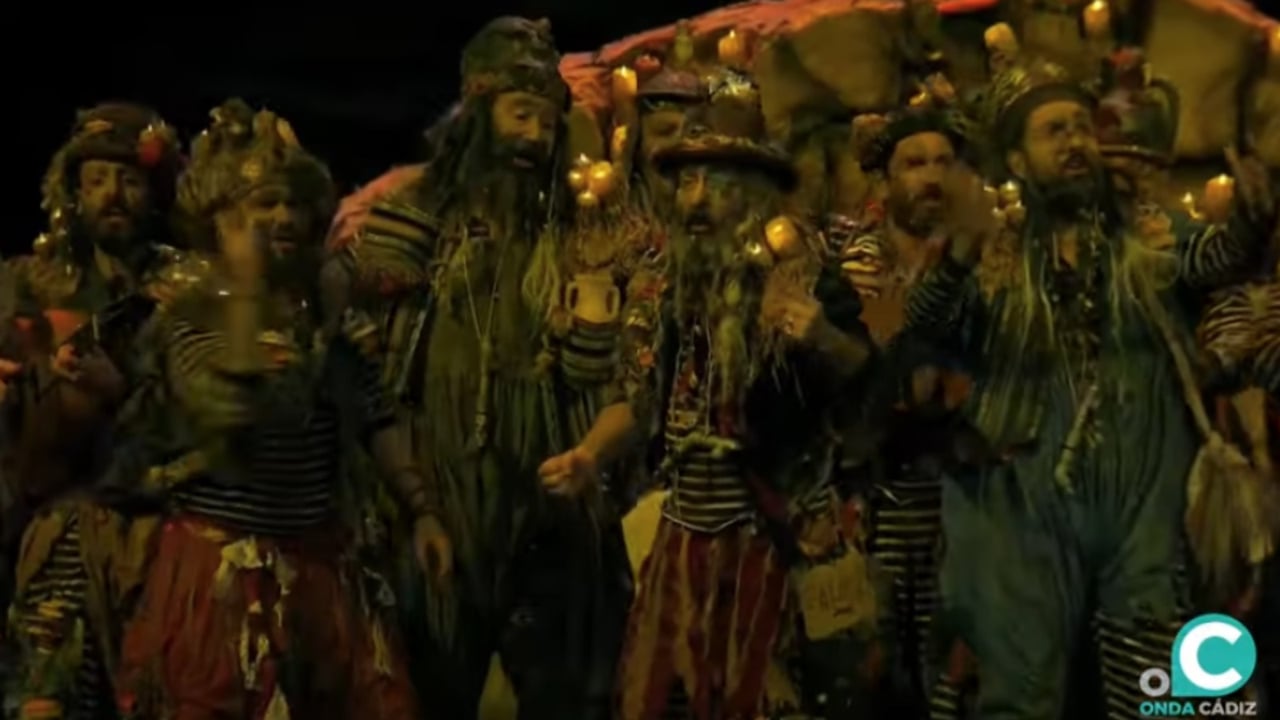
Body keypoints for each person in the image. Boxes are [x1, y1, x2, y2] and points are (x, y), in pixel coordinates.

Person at [903, 58, 1273, 717]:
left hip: (1141, 496)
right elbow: (926, 324)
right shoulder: (993, 250)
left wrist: (1250, 217)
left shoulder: (1146, 235)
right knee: (1021, 684)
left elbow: (1212, 258)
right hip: (1025, 497)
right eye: (1054, 131)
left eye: (1080, 126)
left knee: (1156, 683)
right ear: (1017, 159)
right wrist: (957, 258)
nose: (1075, 141)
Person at [539, 68, 877, 720]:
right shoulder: (662, 288)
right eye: (686, 182)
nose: (695, 201)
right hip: (684, 538)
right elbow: (639, 397)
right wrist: (588, 454)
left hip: (774, 538)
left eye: (714, 184)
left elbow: (869, 378)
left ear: (753, 197)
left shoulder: (806, 279)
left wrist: (823, 338)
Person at [328, 18, 628, 718]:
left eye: (547, 125)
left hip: (544, 496)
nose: (534, 137)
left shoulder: (570, 234)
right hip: (439, 489)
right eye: (520, 115)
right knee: (435, 679)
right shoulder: (416, 217)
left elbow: (598, 373)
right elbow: (370, 358)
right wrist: (412, 500)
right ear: (480, 112)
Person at [112, 99, 444, 720]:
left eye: (293, 204)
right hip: (223, 569)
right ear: (223, 219)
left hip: (318, 563)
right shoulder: (189, 314)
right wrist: (244, 290)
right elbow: (230, 408)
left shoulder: (320, 314)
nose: (285, 217)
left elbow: (373, 411)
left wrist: (422, 511)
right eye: (265, 203)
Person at [2, 102, 184, 719]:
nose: (113, 195)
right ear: (74, 193)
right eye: (97, 180)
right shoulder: (28, 284)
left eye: (128, 179)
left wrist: (122, 390)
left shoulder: (183, 291)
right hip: (48, 520)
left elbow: (204, 417)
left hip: (155, 525)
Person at [838, 105, 982, 717]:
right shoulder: (861, 261)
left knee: (957, 674)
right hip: (884, 496)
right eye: (914, 163)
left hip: (967, 496)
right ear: (886, 179)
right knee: (878, 672)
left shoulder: (987, 259)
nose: (931, 177)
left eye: (944, 163)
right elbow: (882, 352)